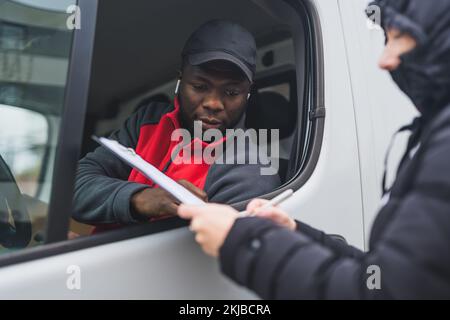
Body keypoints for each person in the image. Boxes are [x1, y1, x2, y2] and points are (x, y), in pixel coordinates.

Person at [178, 0, 450, 299]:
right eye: (385, 40)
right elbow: (385, 274)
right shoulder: (432, 135)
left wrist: (242, 241)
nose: (384, 60)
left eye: (397, 39)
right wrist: (297, 231)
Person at [72, 20, 280, 232]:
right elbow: (76, 184)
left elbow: (201, 254)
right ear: (180, 79)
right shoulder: (147, 121)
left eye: (232, 92)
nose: (213, 103)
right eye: (200, 86)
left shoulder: (251, 173)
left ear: (248, 95)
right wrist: (138, 199)